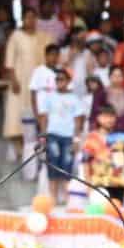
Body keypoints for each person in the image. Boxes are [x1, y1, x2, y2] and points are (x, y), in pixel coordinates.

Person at [2, 7, 54, 162]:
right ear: (23, 19)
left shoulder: (44, 37)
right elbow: (9, 61)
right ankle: (19, 148)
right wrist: (13, 80)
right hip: (20, 80)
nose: (30, 20)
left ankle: (36, 148)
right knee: (16, 114)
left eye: (33, 17)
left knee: (38, 112)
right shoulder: (16, 36)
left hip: (39, 82)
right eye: (27, 17)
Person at [37, 68, 86, 206]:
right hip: (52, 134)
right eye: (57, 79)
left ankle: (67, 198)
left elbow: (78, 121)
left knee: (67, 165)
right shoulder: (49, 97)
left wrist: (76, 139)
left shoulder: (75, 99)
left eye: (62, 79)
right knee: (52, 163)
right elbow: (43, 118)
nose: (59, 81)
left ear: (68, 81)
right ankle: (52, 198)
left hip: (68, 136)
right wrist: (43, 137)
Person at [83, 105, 124, 201]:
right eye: (105, 116)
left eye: (111, 116)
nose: (109, 120)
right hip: (98, 185)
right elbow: (86, 163)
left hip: (119, 185)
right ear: (98, 118)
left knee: (117, 210)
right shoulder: (91, 138)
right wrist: (88, 187)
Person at [90, 65, 124, 138]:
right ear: (109, 77)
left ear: (123, 77)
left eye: (119, 76)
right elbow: (94, 115)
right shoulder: (101, 94)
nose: (117, 78)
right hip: (107, 134)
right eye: (114, 76)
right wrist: (94, 133)